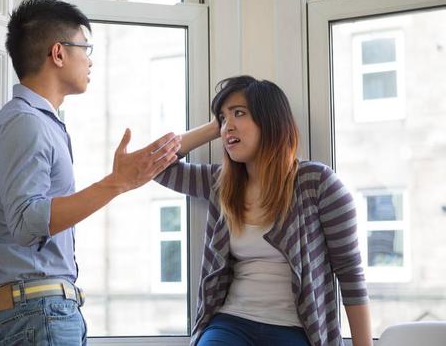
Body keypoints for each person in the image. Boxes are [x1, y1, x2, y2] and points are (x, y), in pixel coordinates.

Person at [0, 0, 181, 345]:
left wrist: (214, 128)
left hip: (42, 310)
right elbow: (28, 222)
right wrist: (116, 183)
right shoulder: (25, 123)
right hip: (38, 312)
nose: (90, 60)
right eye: (84, 48)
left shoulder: (39, 122)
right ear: (58, 53)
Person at [156, 75, 372, 346]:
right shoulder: (220, 183)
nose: (228, 126)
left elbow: (350, 274)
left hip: (295, 328)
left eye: (239, 113)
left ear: (270, 120)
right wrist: (215, 127)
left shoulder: (318, 183)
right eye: (223, 118)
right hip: (231, 323)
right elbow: (155, 167)